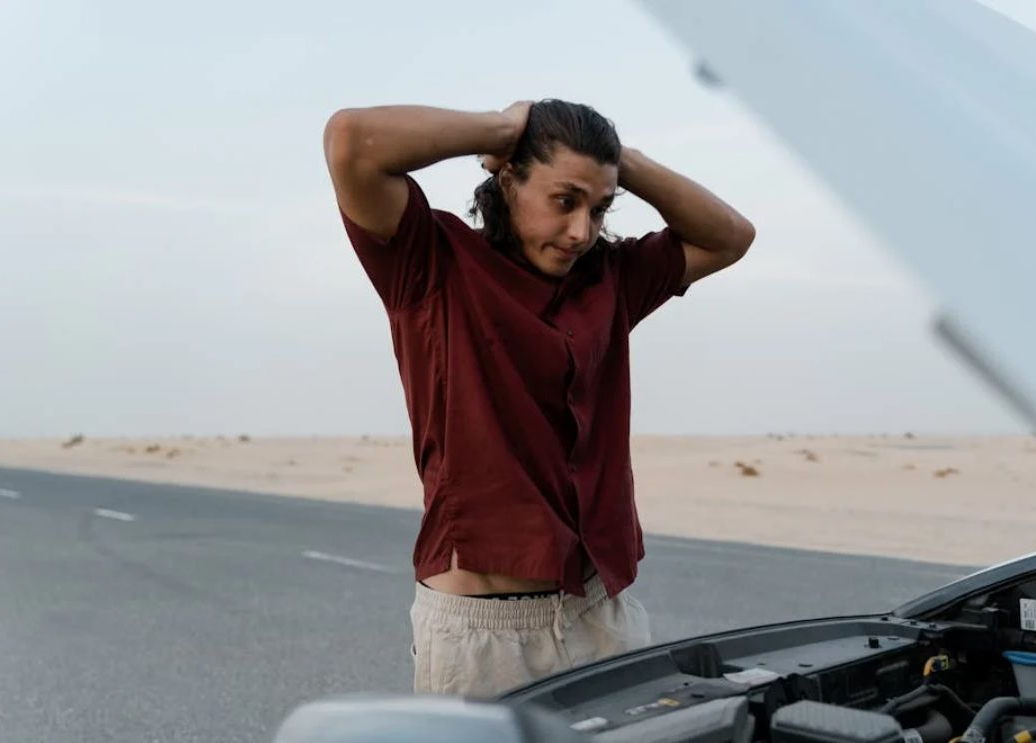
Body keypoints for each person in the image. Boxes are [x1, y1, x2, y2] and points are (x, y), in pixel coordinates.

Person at [322, 99, 754, 698]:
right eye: (564, 200)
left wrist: (618, 161)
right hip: (485, 641)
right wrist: (508, 129)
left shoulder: (611, 278)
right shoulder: (430, 264)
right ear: (508, 180)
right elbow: (352, 141)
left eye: (600, 208)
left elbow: (731, 236)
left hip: (602, 615)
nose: (582, 230)